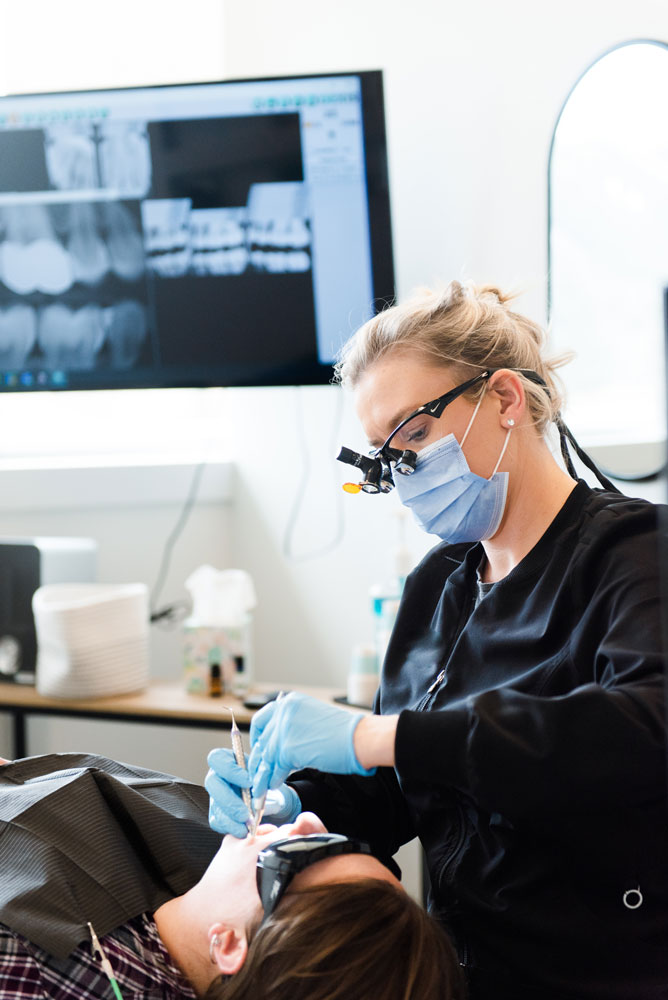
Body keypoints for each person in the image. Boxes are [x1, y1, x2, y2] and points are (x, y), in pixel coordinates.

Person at [206, 281, 668, 1000]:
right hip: (457, 972)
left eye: (413, 435)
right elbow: (403, 792)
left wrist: (375, 737)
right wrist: (295, 804)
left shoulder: (637, 553)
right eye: (383, 454)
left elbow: (643, 734)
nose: (403, 470)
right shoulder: (437, 588)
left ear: (507, 399)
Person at [0, 752, 463, 1000]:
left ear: (228, 945)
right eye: (343, 841)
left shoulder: (34, 970)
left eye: (302, 856)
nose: (308, 824)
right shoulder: (204, 856)